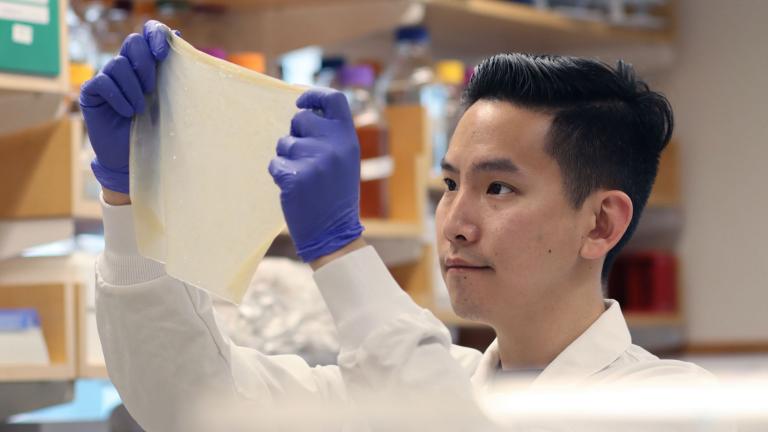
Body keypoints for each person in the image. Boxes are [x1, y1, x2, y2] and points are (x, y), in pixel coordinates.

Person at [83, 21, 713, 431]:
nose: (457, 223)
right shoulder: (403, 388)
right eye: (449, 185)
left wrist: (340, 249)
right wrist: (131, 196)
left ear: (601, 223)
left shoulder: (670, 406)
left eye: (498, 187)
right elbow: (190, 400)